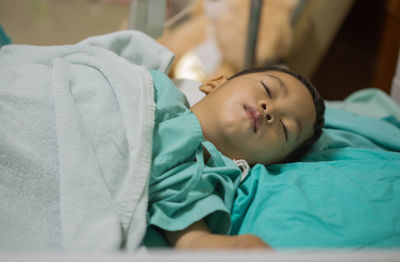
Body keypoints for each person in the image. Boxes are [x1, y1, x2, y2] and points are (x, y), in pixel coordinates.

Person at [146, 66, 325, 249]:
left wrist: (239, 247)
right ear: (215, 83)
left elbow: (190, 240)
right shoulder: (153, 87)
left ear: (268, 163)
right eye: (267, 89)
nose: (270, 109)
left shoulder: (200, 180)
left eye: (285, 128)